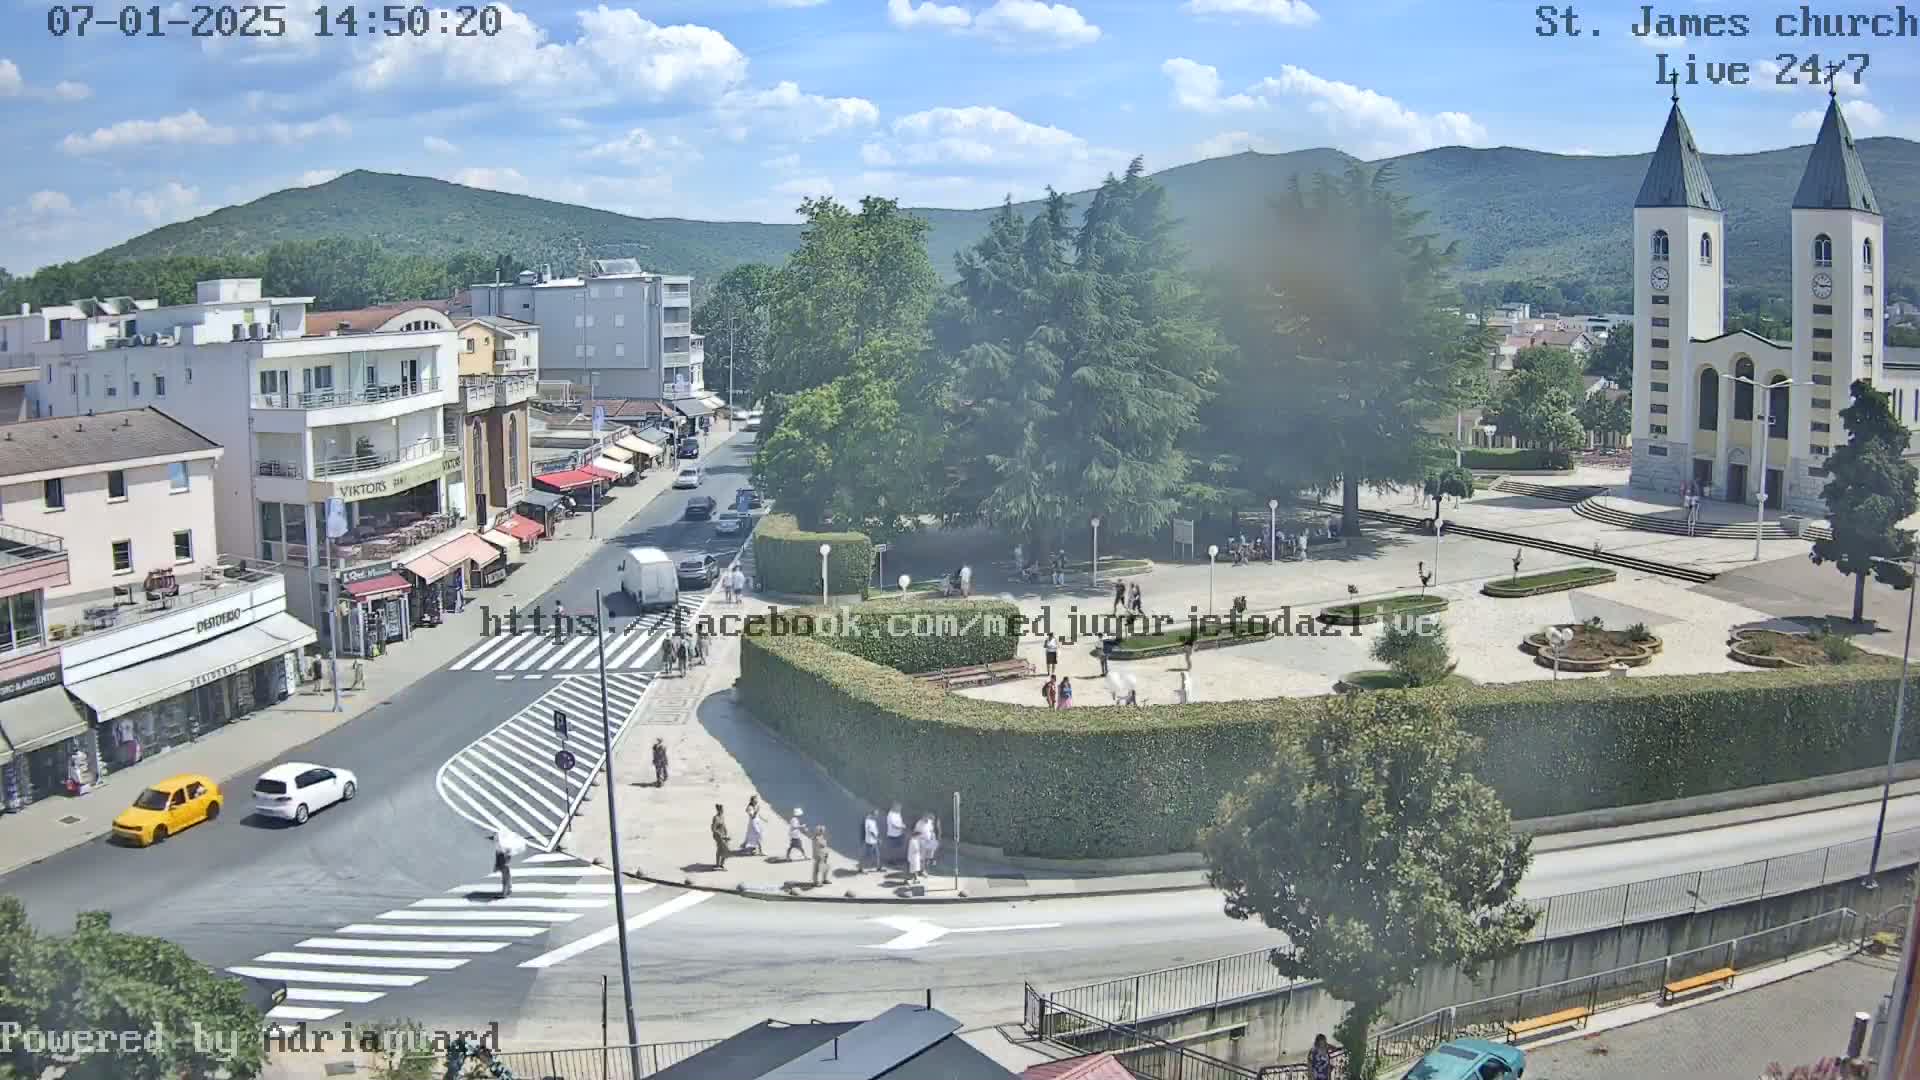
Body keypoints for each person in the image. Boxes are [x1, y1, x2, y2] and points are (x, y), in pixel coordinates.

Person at [491, 832, 515, 898]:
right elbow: (507, 855)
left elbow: (499, 857)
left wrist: (496, 866)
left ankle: (504, 893)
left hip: (503, 863)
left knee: (505, 878)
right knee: (507, 876)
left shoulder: (501, 847)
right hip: (505, 863)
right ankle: (509, 889)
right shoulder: (506, 845)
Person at [710, 804, 730, 869]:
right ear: (718, 810)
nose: (722, 811)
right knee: (720, 848)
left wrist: (726, 833)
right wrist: (720, 835)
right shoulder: (716, 818)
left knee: (726, 848)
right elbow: (713, 829)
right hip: (717, 835)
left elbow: (724, 825)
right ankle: (718, 865)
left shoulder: (722, 816)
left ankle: (721, 864)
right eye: (721, 810)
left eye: (723, 810)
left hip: (723, 834)